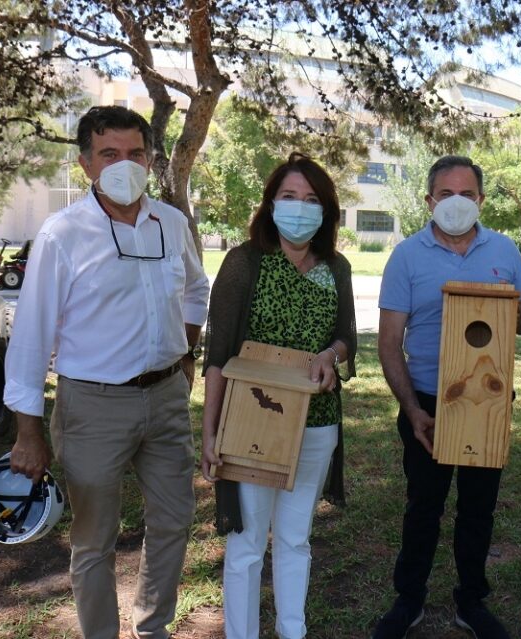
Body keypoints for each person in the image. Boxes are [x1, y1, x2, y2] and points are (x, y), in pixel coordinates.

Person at [5, 105, 210, 639]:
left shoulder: (171, 221)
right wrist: (27, 430)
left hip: (166, 397)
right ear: (86, 164)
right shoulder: (62, 233)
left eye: (135, 153)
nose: (125, 164)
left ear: (150, 158)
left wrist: (184, 353)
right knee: (94, 539)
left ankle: (152, 625)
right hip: (92, 406)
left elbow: (195, 290)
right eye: (109, 154)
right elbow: (31, 334)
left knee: (173, 519)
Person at [372, 155, 521, 639]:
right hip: (426, 400)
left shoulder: (505, 250)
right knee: (423, 504)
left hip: (487, 402)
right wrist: (412, 409)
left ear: (481, 200)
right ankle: (409, 600)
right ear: (429, 200)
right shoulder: (407, 255)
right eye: (445, 194)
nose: (456, 203)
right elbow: (388, 343)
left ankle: (472, 602)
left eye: (466, 194)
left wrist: (510, 303)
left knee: (477, 507)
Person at [200, 152, 356, 639]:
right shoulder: (244, 262)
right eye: (289, 197)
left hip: (316, 422)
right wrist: (209, 433)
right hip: (249, 424)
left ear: (326, 211)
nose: (299, 207)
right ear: (269, 204)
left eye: (311, 200)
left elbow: (346, 335)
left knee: (295, 539)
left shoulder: (337, 267)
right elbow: (218, 354)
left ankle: (294, 632)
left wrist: (330, 355)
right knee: (247, 544)